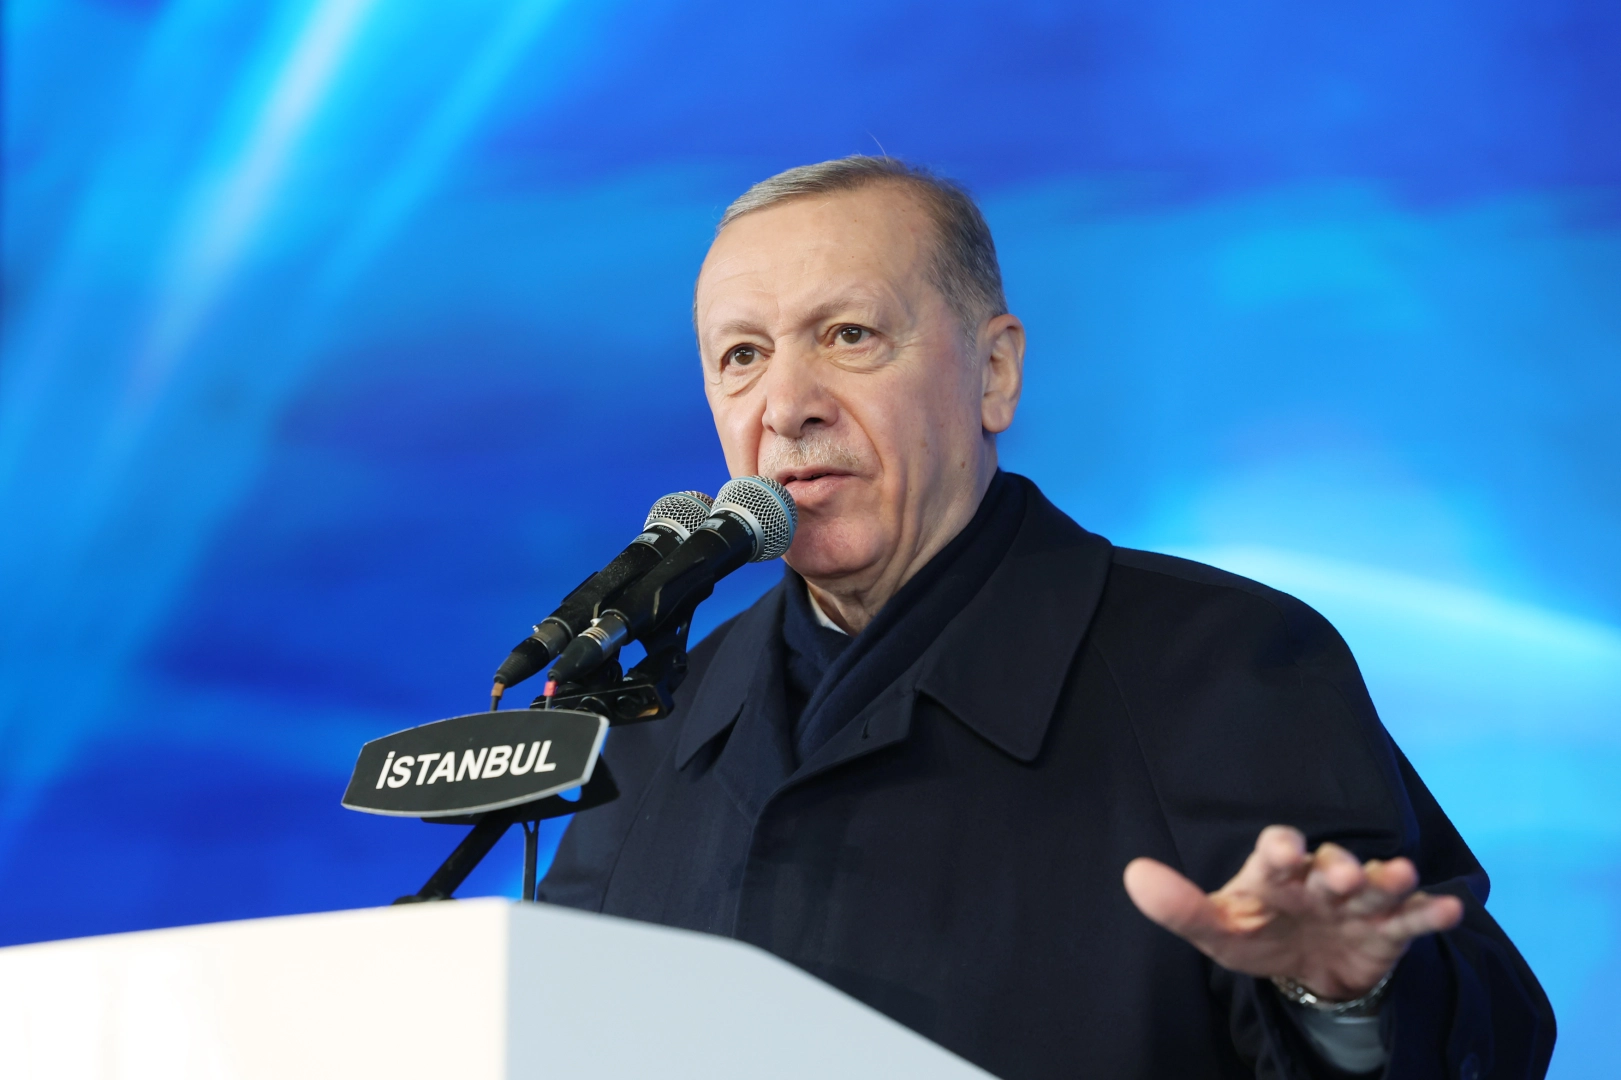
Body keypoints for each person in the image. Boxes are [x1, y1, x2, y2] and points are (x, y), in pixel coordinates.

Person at [537, 156, 1554, 1078]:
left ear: (995, 374)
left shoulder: (1225, 666)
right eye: (741, 355)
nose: (785, 403)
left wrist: (1342, 1001)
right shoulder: (655, 722)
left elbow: (1483, 1039)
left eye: (849, 336)